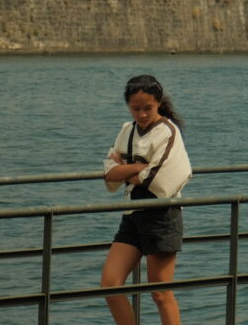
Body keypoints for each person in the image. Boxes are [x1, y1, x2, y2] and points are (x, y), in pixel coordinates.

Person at [100, 75, 193, 325]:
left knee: (160, 292)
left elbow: (160, 178)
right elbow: (108, 171)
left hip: (162, 215)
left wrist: (126, 171)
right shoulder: (127, 130)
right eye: (135, 108)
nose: (141, 114)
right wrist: (138, 167)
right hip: (133, 214)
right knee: (110, 284)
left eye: (148, 108)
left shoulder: (168, 132)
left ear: (159, 103)